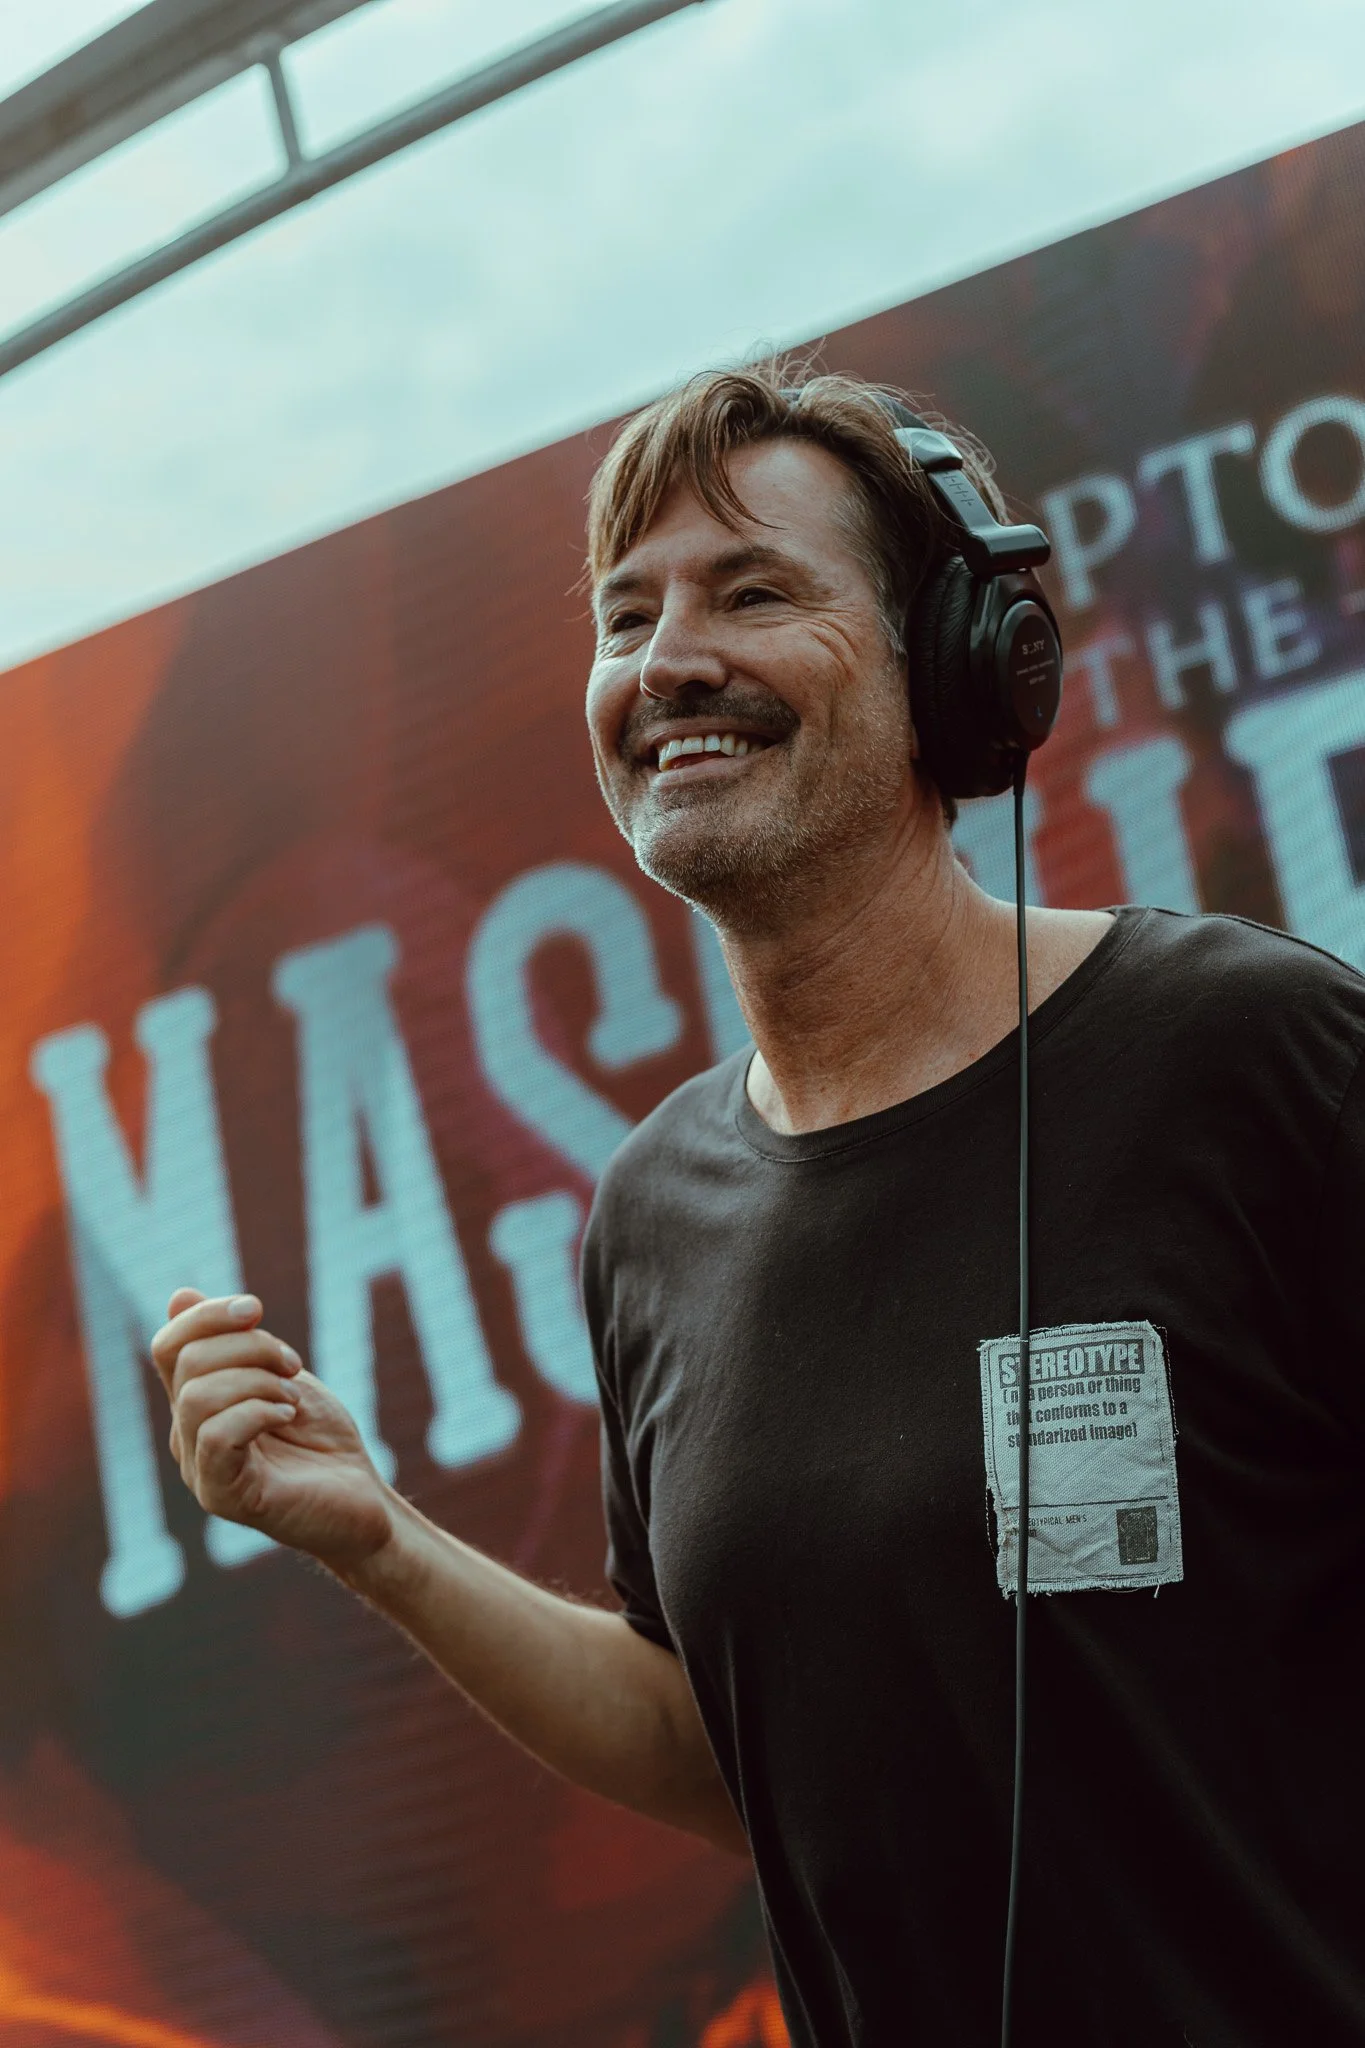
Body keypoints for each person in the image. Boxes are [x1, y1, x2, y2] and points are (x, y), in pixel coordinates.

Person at [153, 365, 1365, 2047]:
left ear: (956, 662)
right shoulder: (652, 1215)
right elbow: (727, 1754)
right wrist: (381, 1537)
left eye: (753, 593)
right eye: (626, 615)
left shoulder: (1244, 1051)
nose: (669, 661)